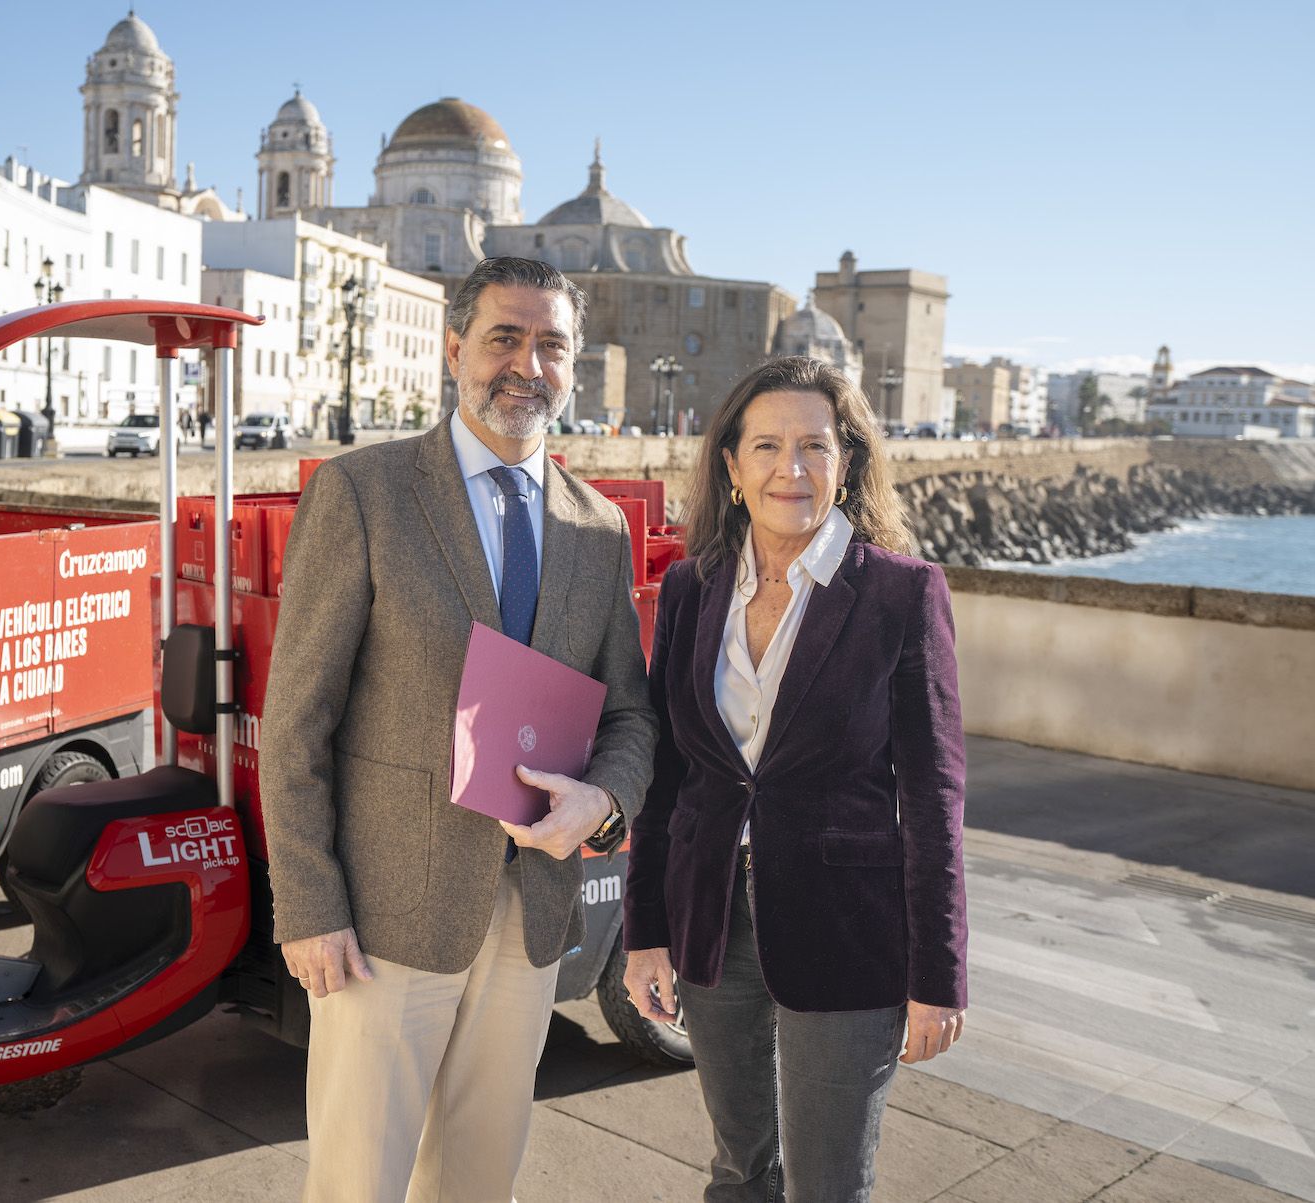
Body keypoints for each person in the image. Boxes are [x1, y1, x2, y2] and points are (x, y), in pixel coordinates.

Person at [261, 257, 656, 1203]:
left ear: (573, 365)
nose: (527, 365)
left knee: (480, 1179)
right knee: (359, 1181)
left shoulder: (598, 528)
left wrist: (603, 802)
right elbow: (295, 720)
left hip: (530, 917)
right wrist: (308, 903)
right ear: (454, 351)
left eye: (550, 344)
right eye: (503, 338)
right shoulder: (364, 492)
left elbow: (632, 714)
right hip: (384, 913)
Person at [621, 356, 968, 1203]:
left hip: (846, 929)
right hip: (711, 920)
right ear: (731, 466)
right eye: (767, 445)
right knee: (738, 1168)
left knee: (825, 1183)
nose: (792, 467)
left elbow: (933, 797)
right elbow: (668, 777)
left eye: (814, 445)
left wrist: (939, 975)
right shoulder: (693, 587)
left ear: (845, 463)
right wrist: (643, 931)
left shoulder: (900, 593)